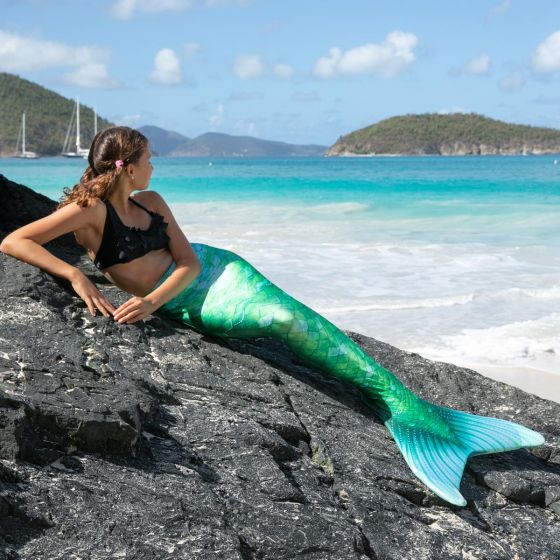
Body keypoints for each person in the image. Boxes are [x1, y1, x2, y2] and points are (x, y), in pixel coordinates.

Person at [0, 126, 545, 507]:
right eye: (148, 157)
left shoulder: (155, 202)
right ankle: (408, 413)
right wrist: (74, 275)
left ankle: (407, 411)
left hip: (213, 275)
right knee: (286, 326)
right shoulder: (88, 211)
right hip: (195, 301)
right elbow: (14, 240)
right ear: (126, 166)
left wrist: (153, 301)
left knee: (299, 319)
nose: (154, 165)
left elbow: (189, 262)